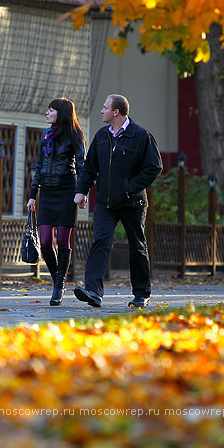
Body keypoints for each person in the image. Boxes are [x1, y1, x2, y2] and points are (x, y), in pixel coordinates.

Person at [73, 94, 162, 308]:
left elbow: (154, 167)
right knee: (100, 241)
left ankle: (141, 294)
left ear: (116, 112)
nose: (101, 111)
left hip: (133, 203)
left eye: (105, 107)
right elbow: (90, 167)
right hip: (105, 202)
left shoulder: (141, 136)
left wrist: (130, 187)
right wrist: (82, 191)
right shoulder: (102, 136)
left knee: (137, 246)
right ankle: (93, 291)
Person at [27, 98, 86, 306]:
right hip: (47, 194)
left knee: (62, 240)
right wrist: (33, 194)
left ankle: (58, 285)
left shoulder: (75, 135)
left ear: (60, 113)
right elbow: (39, 165)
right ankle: (57, 281)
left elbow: (82, 165)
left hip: (66, 192)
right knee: (44, 241)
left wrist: (82, 191)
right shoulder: (46, 135)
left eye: (50, 110)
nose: (47, 113)